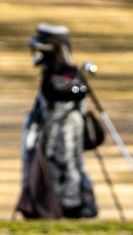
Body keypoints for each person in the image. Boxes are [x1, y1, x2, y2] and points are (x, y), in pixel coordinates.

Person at [15, 23, 101, 221]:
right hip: (47, 127)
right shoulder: (51, 72)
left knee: (68, 165)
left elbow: (62, 93)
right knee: (47, 165)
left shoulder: (68, 73)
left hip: (66, 127)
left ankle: (71, 204)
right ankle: (49, 205)